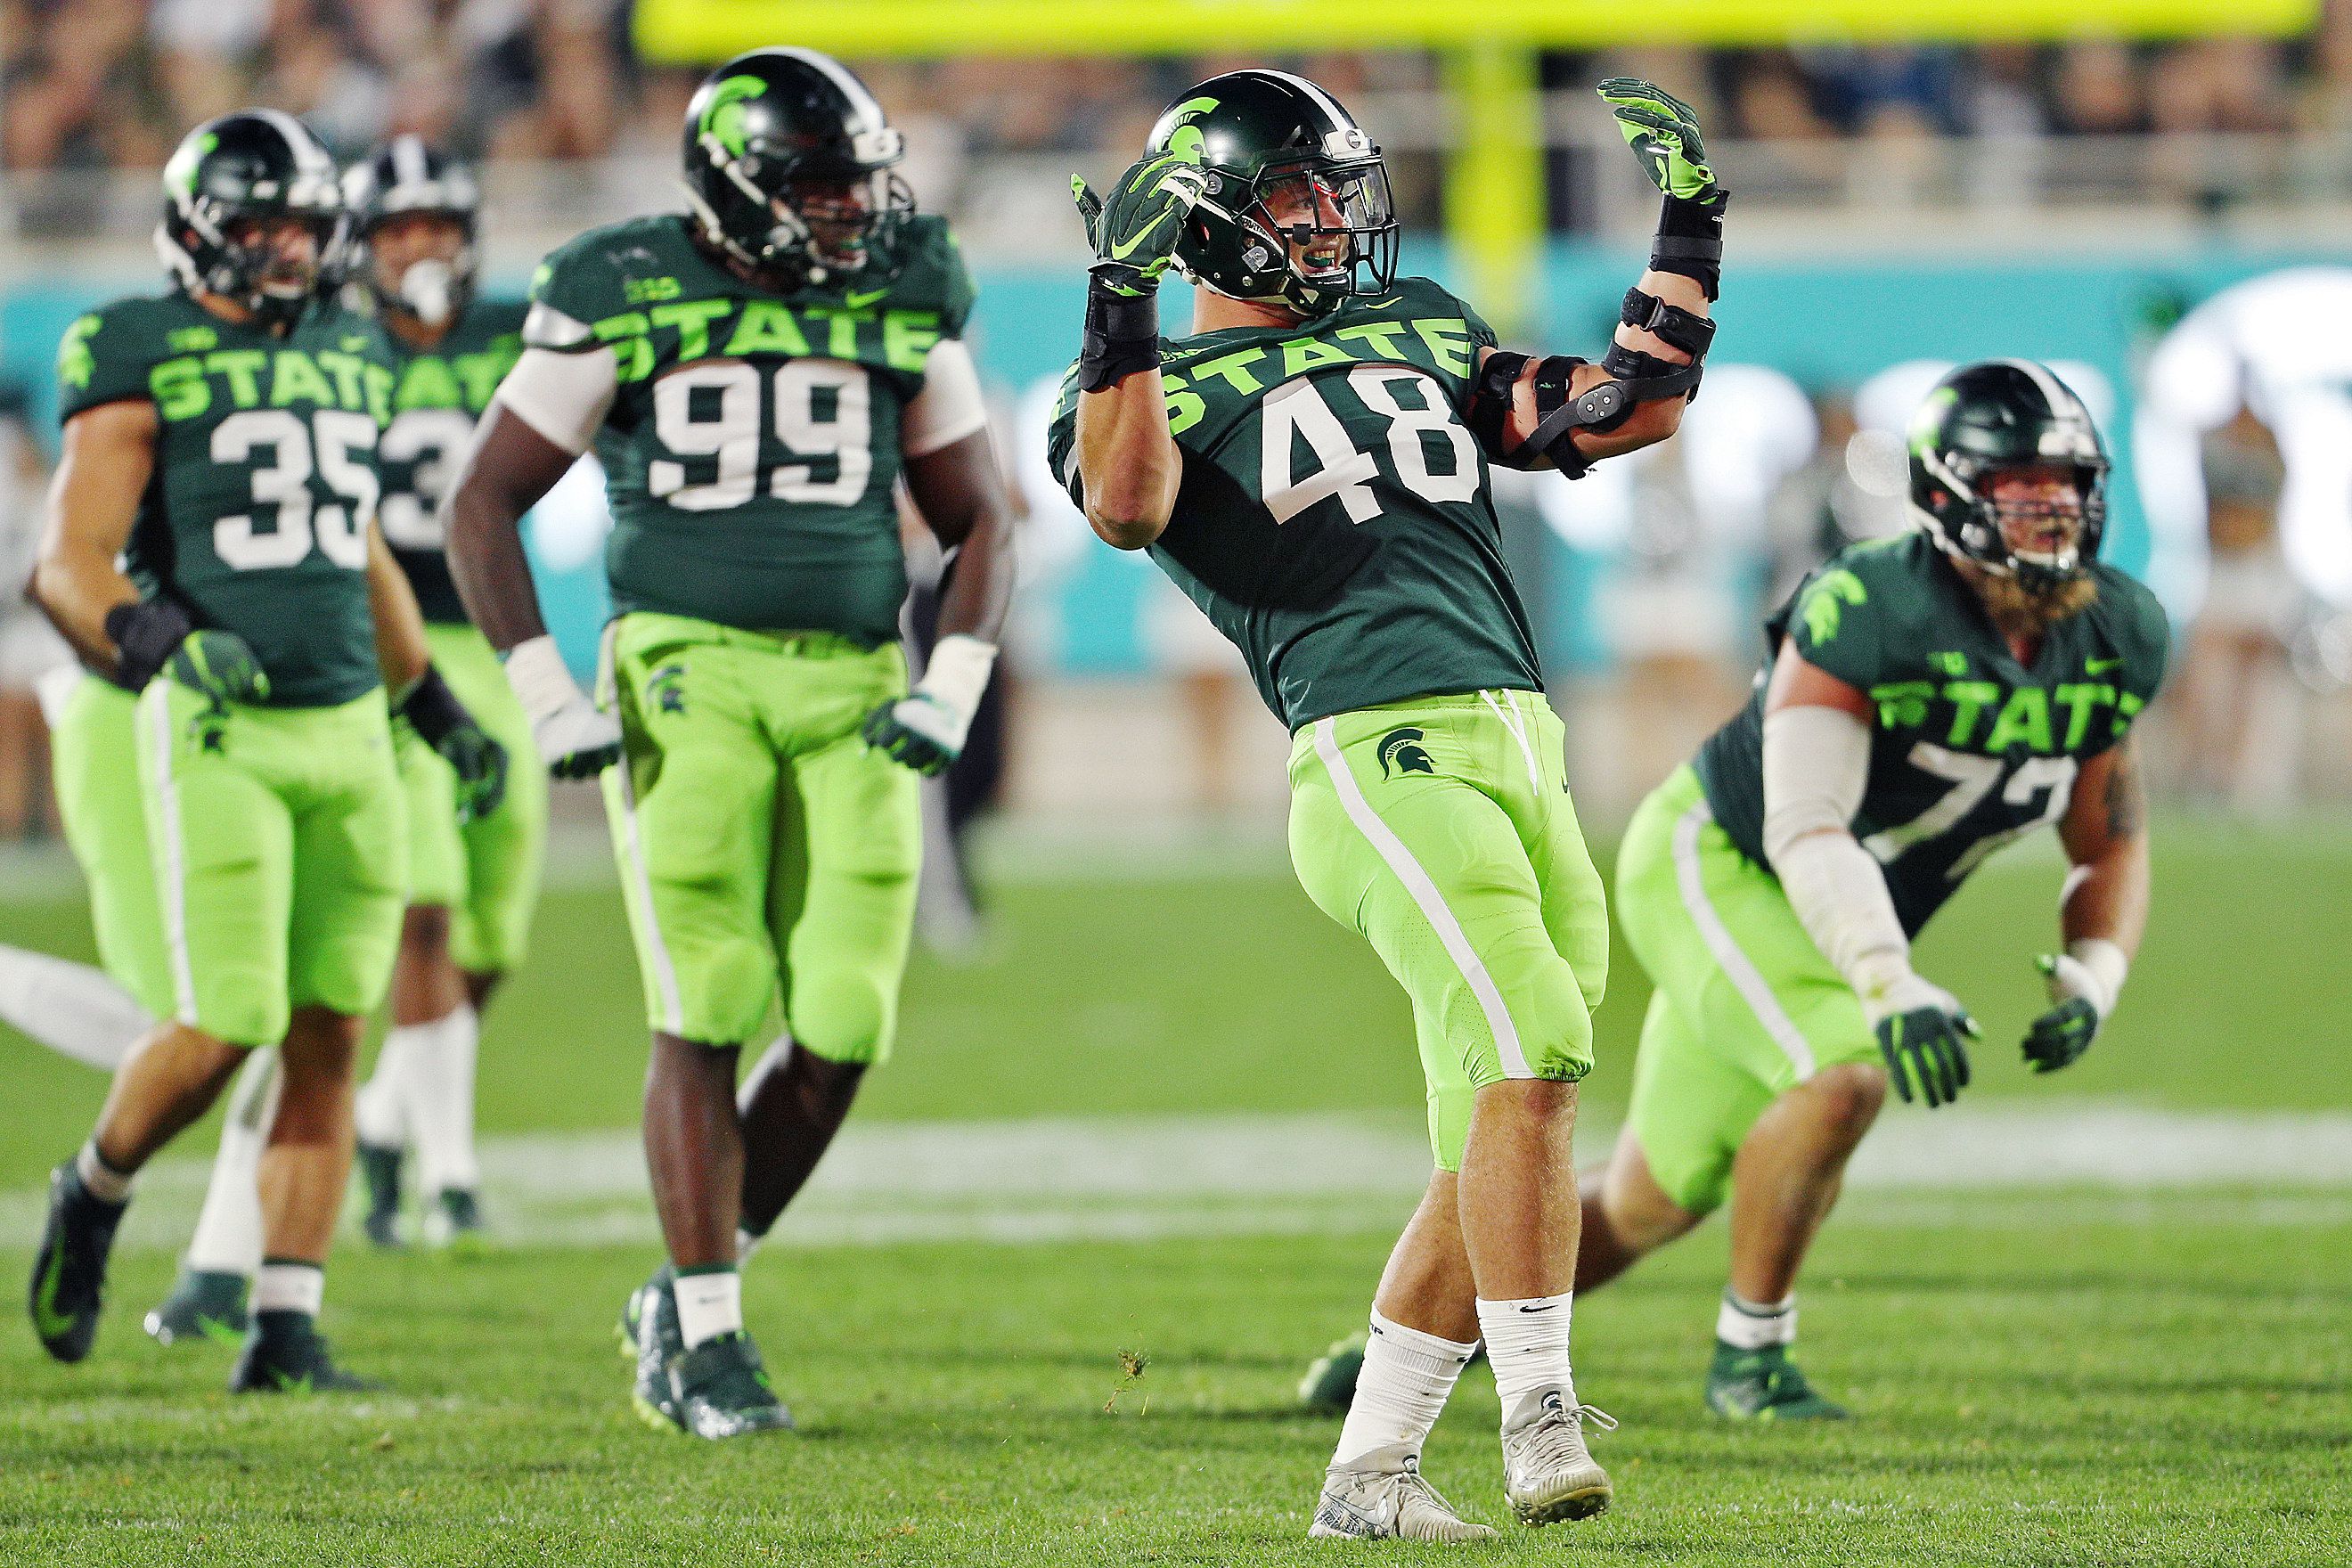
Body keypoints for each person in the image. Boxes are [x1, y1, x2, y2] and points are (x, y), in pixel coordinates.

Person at [1049, 72, 1723, 1539]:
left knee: (1499, 1113)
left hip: (1521, 739)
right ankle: (1539, 1413)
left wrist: (1690, 227)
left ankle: (1370, 1476)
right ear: (1213, 222)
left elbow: (1625, 410)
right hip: (1373, 744)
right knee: (1532, 1040)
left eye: (1336, 191)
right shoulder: (1146, 382)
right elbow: (1123, 506)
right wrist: (1119, 300)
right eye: (1294, 194)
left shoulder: (1415, 327)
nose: (1330, 219)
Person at [440, 48, 1015, 1439]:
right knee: (708, 983)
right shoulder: (623, 283)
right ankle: (705, 1333)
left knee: (844, 1018)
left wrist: (953, 678)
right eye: (821, 187)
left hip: (854, 676)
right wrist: (542, 687)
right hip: (682, 662)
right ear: (738, 189)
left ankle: (691, 1280)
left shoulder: (904, 279)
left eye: (861, 184)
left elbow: (983, 514)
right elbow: (485, 500)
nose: (851, 213)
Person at [22, 110, 504, 1393]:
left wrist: (431, 706)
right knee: (224, 1019)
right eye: (261, 224)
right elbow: (63, 561)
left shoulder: (351, 343)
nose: (288, 249)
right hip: (222, 726)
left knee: (331, 1035)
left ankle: (286, 1324)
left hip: (349, 721)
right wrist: (159, 637)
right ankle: (96, 1186)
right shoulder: (135, 344)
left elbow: (352, 542)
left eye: (304, 224)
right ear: (197, 233)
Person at [1583, 360, 2166, 1417]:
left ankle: (1416, 1336)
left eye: (2069, 483)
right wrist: (1887, 977)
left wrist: (2096, 972)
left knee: (1646, 1202)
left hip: (1824, 914)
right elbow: (1804, 823)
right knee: (1845, 1070)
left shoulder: (2116, 631)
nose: (2053, 508)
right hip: (1720, 860)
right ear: (1948, 494)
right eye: (2021, 485)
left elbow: (2108, 841)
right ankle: (1750, 1359)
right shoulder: (1871, 603)